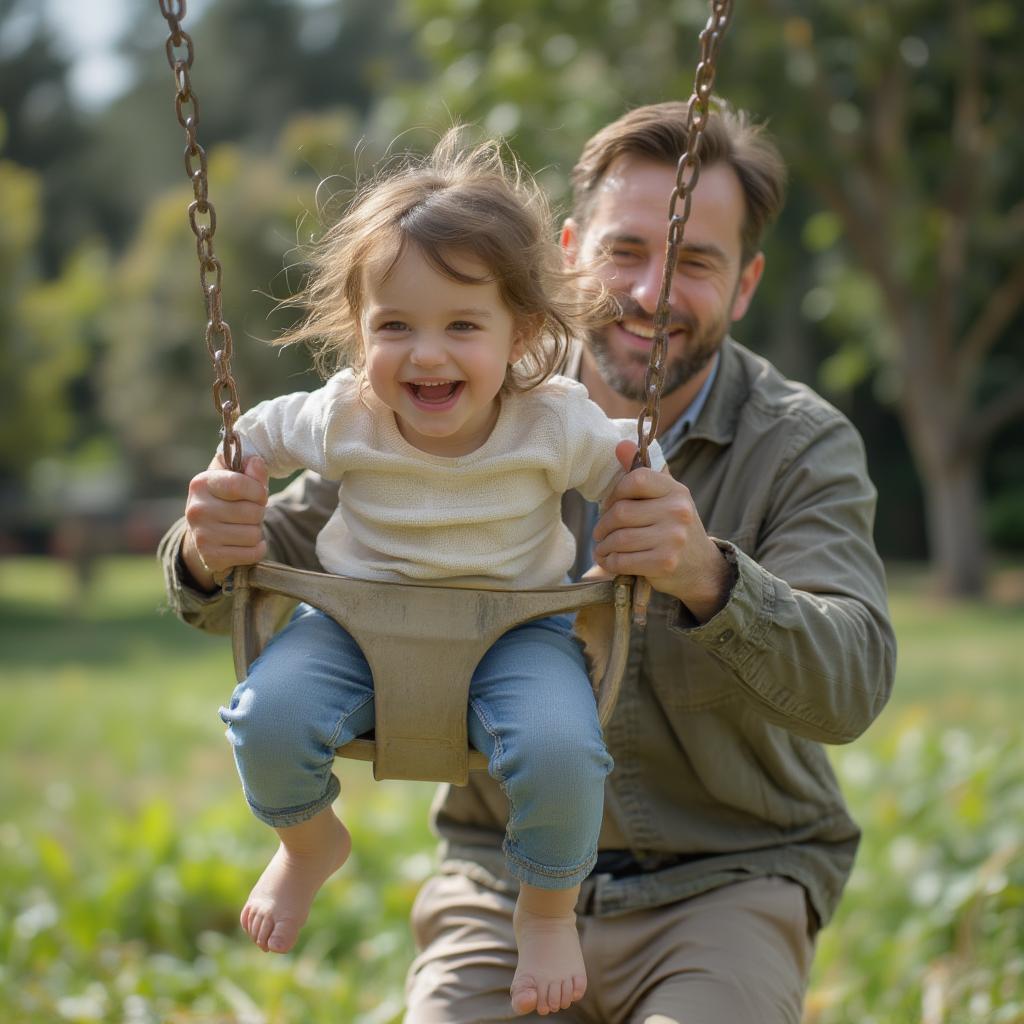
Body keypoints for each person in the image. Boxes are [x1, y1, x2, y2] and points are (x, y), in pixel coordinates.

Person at [159, 101, 896, 1023]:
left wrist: (710, 577)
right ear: (571, 249)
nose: (649, 290)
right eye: (627, 249)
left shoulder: (797, 445)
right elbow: (256, 557)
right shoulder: (430, 407)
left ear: (744, 286)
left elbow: (854, 684)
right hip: (498, 885)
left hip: (724, 882)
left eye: (695, 261)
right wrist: (204, 546)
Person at [183, 130, 668, 1017]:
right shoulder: (344, 415)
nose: (427, 355)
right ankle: (308, 845)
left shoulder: (553, 421)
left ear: (520, 332)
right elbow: (253, 431)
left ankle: (548, 909)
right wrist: (230, 474)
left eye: (462, 325)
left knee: (566, 754)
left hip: (517, 638)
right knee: (264, 720)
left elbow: (627, 466)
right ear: (359, 331)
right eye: (395, 326)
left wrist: (646, 477)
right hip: (352, 632)